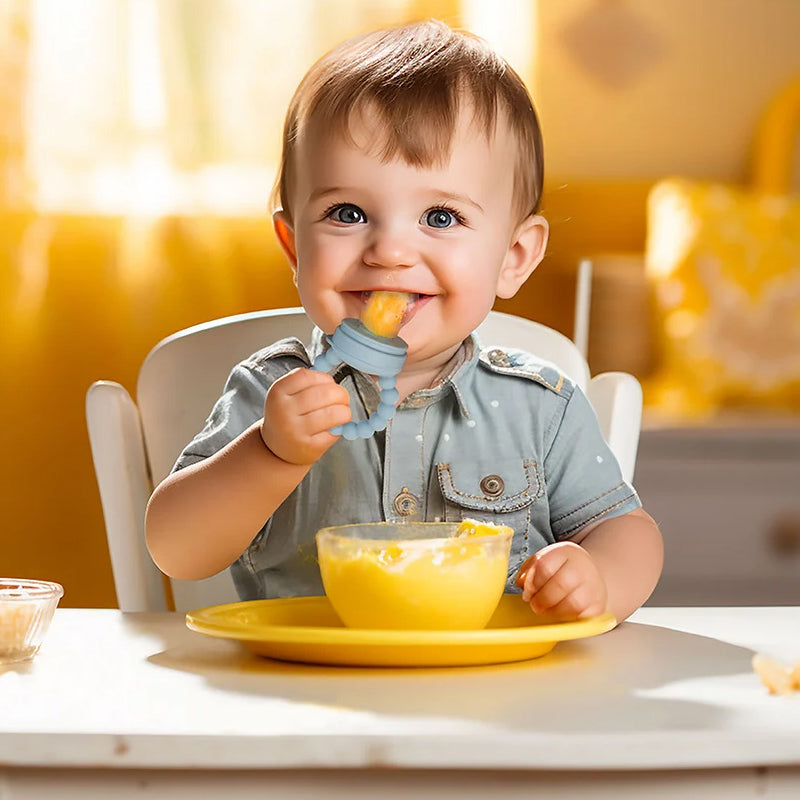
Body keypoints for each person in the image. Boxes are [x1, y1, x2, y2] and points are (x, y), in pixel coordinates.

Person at [145, 19, 663, 623]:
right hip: (309, 693)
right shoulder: (270, 393)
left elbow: (630, 532)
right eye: (348, 212)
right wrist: (269, 453)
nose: (389, 251)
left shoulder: (540, 408)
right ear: (294, 247)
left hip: (495, 696)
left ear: (513, 258)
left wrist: (596, 575)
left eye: (440, 217)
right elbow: (175, 548)